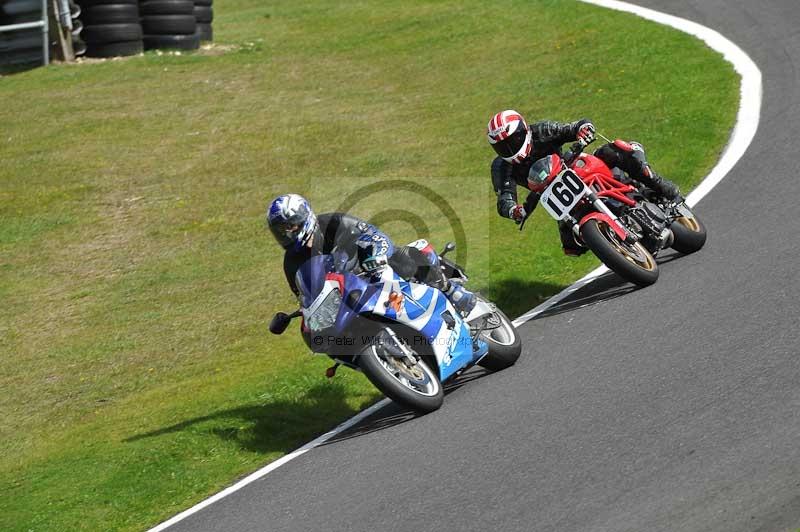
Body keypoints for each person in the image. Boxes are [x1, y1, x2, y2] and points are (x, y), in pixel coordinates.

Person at [487, 109, 681, 255]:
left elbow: (571, 127)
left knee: (613, 152)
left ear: (524, 130)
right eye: (502, 147)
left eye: (513, 140)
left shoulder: (541, 131)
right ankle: (616, 243)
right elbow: (504, 198)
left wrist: (583, 130)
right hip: (554, 195)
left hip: (573, 168)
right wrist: (513, 210)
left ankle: (661, 186)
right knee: (572, 246)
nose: (509, 148)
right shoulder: (501, 166)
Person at [266, 193, 476, 315]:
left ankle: (448, 289)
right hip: (352, 292)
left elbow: (374, 234)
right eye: (281, 230)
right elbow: (304, 298)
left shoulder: (332, 222)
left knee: (401, 256)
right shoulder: (291, 263)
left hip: (373, 266)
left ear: (304, 218)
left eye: (290, 226)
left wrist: (376, 255)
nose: (287, 233)